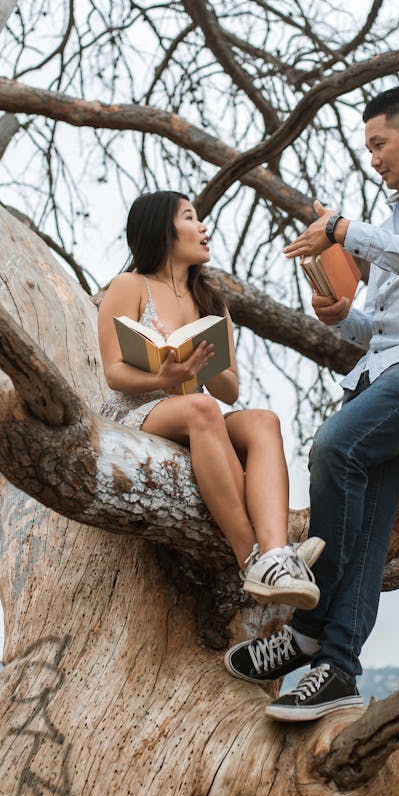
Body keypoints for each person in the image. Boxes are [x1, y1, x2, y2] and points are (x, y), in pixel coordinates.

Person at [224, 85, 399, 721]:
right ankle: (338, 667)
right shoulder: (398, 215)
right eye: (368, 148)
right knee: (371, 518)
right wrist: (339, 315)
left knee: (335, 445)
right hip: (386, 370)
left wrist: (348, 230)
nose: (373, 158)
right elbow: (378, 327)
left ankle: (306, 631)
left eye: (379, 144)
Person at [98, 190, 324, 608]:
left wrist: (203, 360)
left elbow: (230, 390)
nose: (203, 227)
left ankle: (275, 551)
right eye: (190, 217)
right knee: (202, 408)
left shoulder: (212, 301)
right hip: (137, 413)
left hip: (194, 413)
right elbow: (113, 371)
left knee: (263, 420)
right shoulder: (129, 286)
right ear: (162, 231)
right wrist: (161, 374)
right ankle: (251, 560)